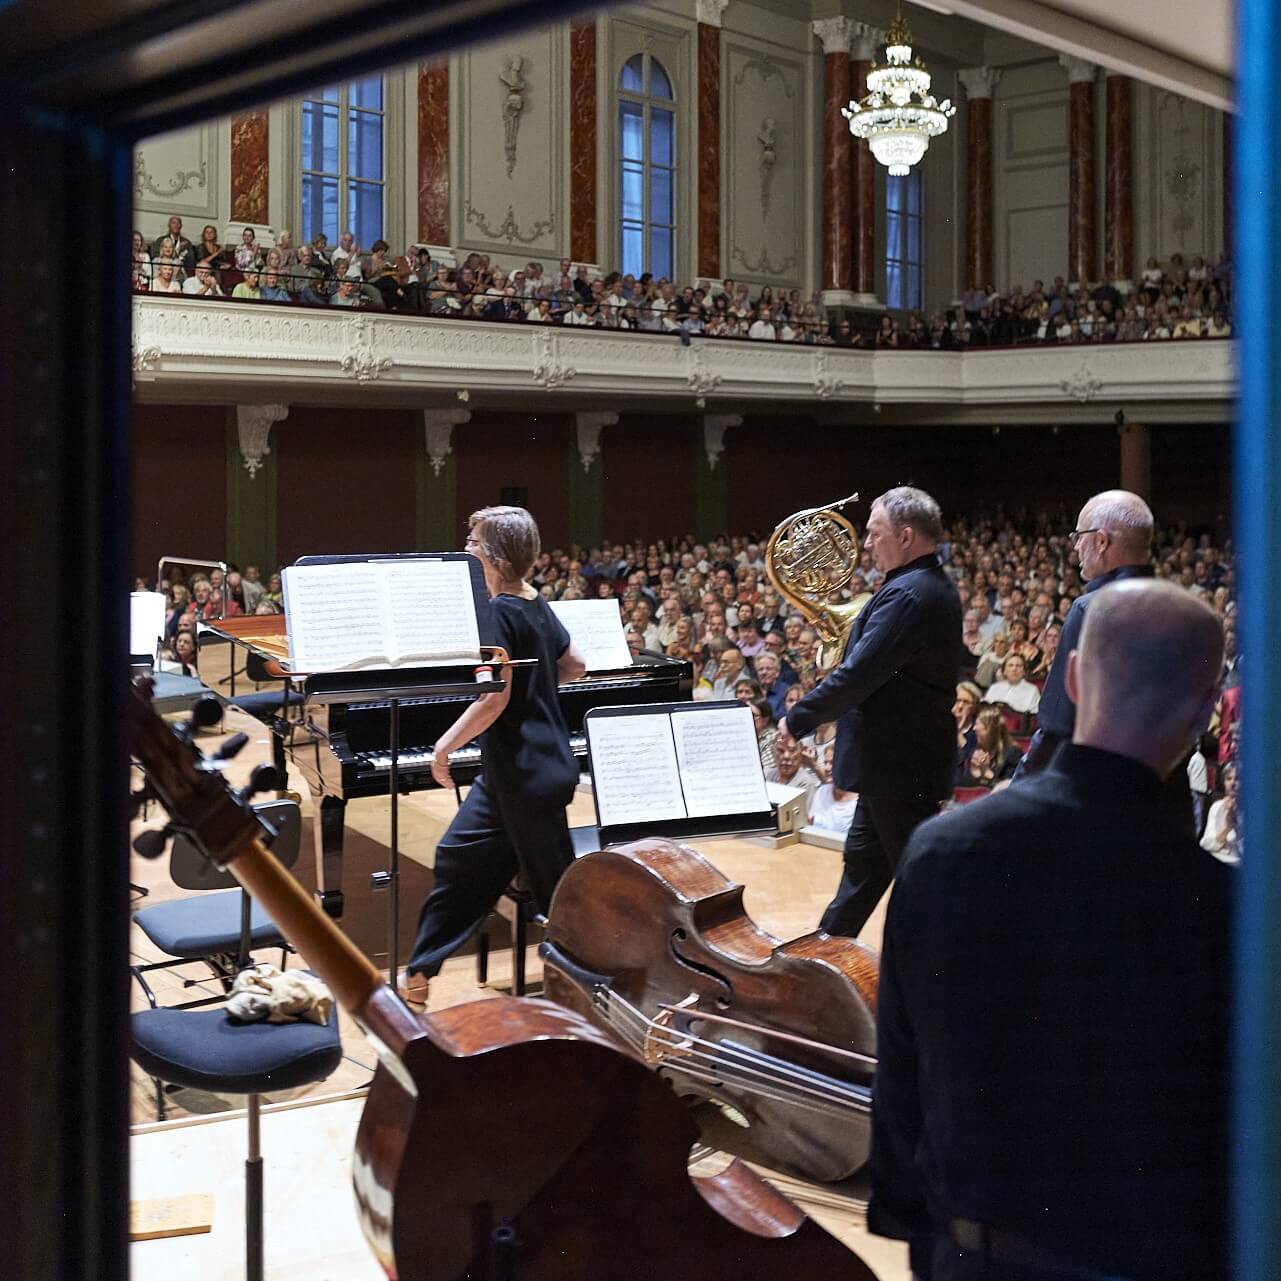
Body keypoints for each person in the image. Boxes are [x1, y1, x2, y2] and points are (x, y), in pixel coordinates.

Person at [871, 580, 1230, 1281]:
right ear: (1202, 712)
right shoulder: (1226, 910)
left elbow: (902, 1080)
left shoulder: (945, 853)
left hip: (974, 1256)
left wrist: (928, 1243)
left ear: (1069, 677)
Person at [401, 507, 587, 1008]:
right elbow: (575, 664)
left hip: (526, 774)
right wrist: (536, 688)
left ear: (491, 557)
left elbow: (495, 697)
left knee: (557, 900)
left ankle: (597, 997)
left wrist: (444, 745)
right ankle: (418, 974)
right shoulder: (533, 602)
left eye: (472, 542)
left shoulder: (500, 612)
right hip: (520, 770)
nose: (466, 548)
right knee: (459, 857)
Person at [778, 487, 961, 937]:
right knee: (862, 871)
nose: (865, 544)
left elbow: (859, 676)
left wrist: (798, 717)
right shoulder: (917, 586)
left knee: (921, 887)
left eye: (874, 533)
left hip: (899, 765)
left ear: (903, 535)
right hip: (892, 765)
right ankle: (823, 961)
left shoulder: (910, 596)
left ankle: (950, 981)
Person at [958, 704, 1022, 787]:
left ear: (990, 729)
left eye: (978, 724)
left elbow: (1012, 789)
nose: (974, 728)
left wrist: (987, 773)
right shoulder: (974, 751)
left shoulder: (1012, 754)